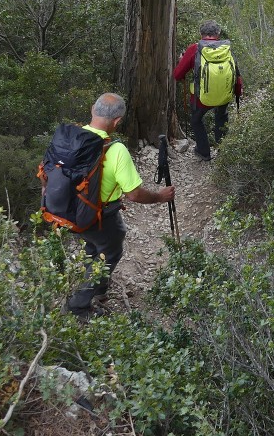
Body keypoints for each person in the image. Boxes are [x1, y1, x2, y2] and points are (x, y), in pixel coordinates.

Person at [65, 92, 175, 319]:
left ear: (92, 110)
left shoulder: (69, 138)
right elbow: (133, 194)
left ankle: (100, 288)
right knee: (111, 250)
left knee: (93, 246)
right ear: (117, 121)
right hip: (99, 215)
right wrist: (160, 197)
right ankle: (79, 304)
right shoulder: (115, 150)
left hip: (67, 211)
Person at [173, 19, 243, 161]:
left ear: (201, 34)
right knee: (221, 119)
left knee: (196, 120)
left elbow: (177, 75)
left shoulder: (195, 48)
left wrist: (182, 60)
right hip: (224, 96)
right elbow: (236, 73)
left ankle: (204, 152)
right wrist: (237, 93)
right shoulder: (226, 48)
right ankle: (223, 152)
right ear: (218, 33)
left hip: (201, 98)